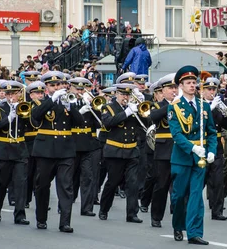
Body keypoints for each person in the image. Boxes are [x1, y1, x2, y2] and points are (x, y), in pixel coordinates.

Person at [168, 65, 217, 245]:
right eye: (188, 83)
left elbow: (211, 132)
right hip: (182, 157)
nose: (191, 85)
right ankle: (178, 224)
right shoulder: (174, 107)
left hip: (201, 159)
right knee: (179, 195)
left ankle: (195, 232)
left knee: (196, 196)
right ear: (180, 85)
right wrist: (192, 148)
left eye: (193, 82)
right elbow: (177, 134)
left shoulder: (204, 106)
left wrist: (212, 151)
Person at [31, 71, 83, 233]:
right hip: (45, 150)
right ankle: (41, 218)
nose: (57, 88)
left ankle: (65, 222)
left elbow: (80, 123)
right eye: (52, 85)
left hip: (65, 149)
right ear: (46, 88)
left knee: (66, 186)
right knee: (42, 186)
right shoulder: (40, 102)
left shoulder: (68, 102)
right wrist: (52, 100)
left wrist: (70, 107)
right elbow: (36, 118)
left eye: (59, 85)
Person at [98, 83, 147, 223]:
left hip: (132, 151)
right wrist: (126, 113)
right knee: (113, 182)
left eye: (128, 95)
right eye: (123, 94)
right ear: (116, 94)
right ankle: (104, 209)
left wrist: (140, 110)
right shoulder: (108, 107)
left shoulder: (133, 108)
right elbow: (107, 123)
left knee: (133, 183)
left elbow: (146, 123)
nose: (125, 97)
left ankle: (132, 214)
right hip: (115, 151)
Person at [0, 80, 30, 224]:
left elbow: (34, 124)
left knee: (21, 184)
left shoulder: (25, 108)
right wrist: (9, 118)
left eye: (14, 93)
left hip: (20, 149)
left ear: (19, 94)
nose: (11, 96)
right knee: (1, 183)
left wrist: (24, 112)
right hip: (3, 149)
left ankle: (20, 215)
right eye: (8, 94)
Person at [70, 78, 102, 217]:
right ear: (71, 88)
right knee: (70, 178)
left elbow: (99, 123)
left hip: (88, 144)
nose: (80, 92)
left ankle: (86, 208)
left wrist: (95, 108)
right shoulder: (67, 101)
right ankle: (65, 204)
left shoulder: (89, 102)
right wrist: (80, 112)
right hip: (72, 143)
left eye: (82, 90)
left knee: (88, 177)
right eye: (77, 89)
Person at [201, 77, 227, 221]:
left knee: (218, 180)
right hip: (202, 144)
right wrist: (211, 108)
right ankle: (187, 203)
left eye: (214, 89)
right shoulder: (199, 104)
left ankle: (217, 210)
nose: (212, 91)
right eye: (209, 89)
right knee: (201, 179)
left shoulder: (220, 105)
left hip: (217, 146)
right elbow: (199, 122)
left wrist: (225, 114)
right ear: (203, 90)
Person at [149, 74, 176, 228]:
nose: (173, 91)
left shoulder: (183, 104)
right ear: (163, 91)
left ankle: (178, 212)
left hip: (181, 148)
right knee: (161, 185)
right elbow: (153, 117)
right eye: (170, 88)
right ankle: (156, 216)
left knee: (180, 185)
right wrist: (172, 104)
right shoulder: (158, 105)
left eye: (175, 87)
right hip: (164, 149)